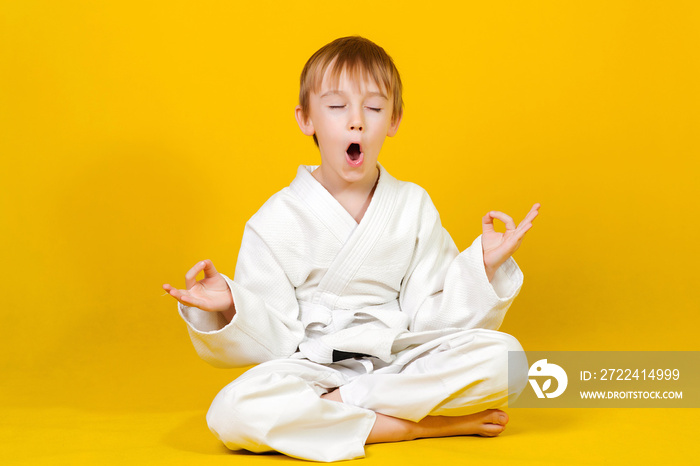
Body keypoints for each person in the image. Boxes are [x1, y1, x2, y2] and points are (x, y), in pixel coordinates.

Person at [162, 35, 540, 462]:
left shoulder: (412, 205)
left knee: (507, 358)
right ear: (307, 119)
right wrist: (232, 304)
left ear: (394, 120)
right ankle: (414, 427)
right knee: (233, 412)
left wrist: (483, 268)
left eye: (374, 108)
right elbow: (274, 340)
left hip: (399, 357)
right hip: (312, 367)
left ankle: (343, 412)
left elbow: (432, 316)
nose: (356, 121)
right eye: (337, 106)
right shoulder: (275, 219)